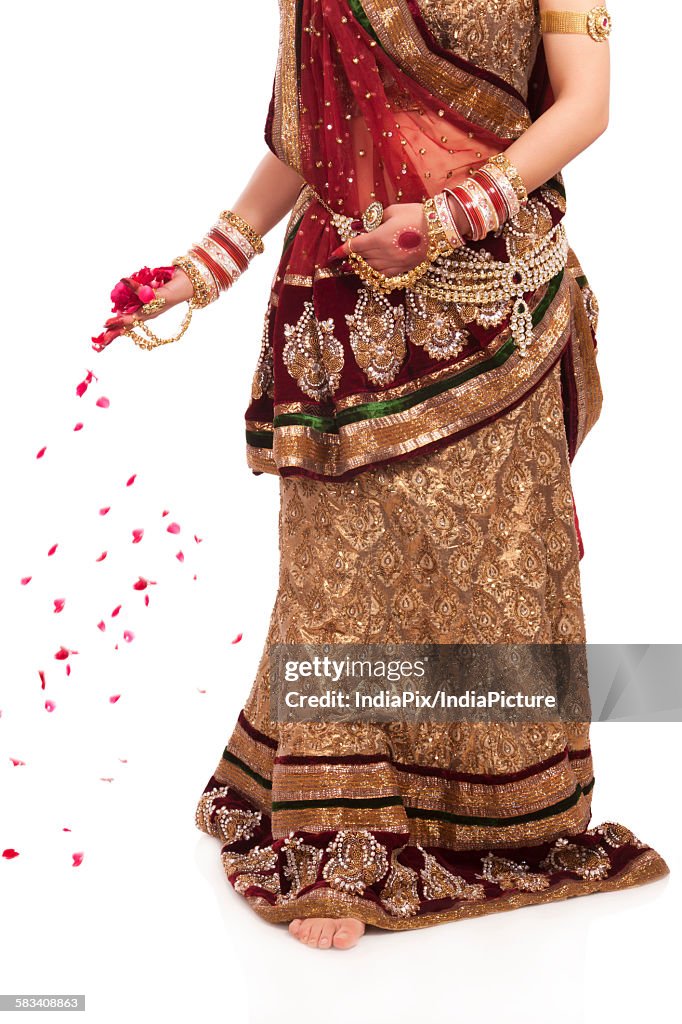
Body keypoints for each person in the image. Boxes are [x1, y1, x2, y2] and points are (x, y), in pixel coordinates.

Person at [94, 0, 668, 950]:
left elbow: (587, 104)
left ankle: (497, 817)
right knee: (338, 576)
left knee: (500, 576)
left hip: (496, 287)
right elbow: (309, 134)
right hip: (341, 300)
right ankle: (337, 836)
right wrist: (208, 263)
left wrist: (448, 220)